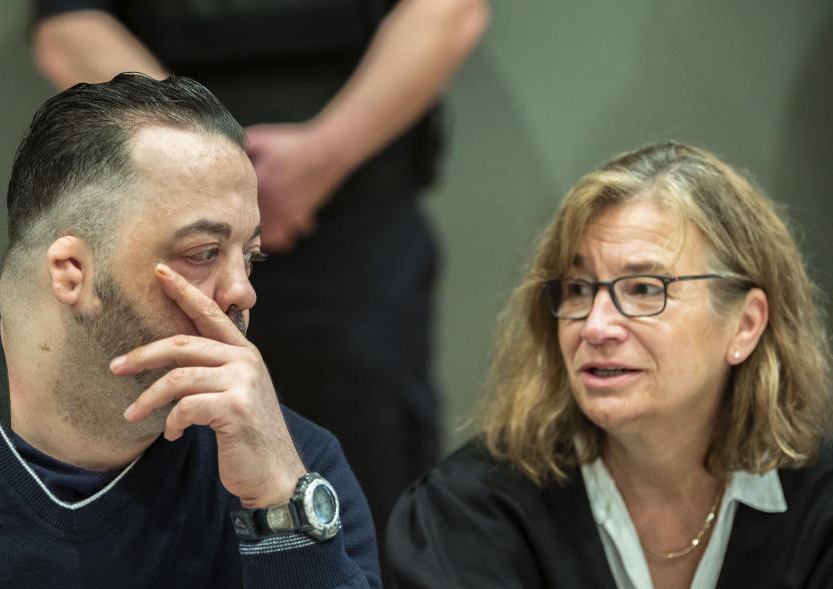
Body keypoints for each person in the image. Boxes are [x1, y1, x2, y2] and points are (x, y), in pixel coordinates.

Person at [0, 73, 396, 589]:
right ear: (72, 273)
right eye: (203, 253)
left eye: (250, 257)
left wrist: (281, 513)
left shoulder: (294, 470)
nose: (242, 292)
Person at [30, 0, 490, 544]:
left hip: (355, 221)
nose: (239, 288)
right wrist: (208, 163)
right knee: (161, 452)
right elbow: (70, 25)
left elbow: (448, 11)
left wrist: (325, 155)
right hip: (158, 217)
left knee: (374, 455)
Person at [386, 141, 833, 589]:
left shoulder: (832, 518)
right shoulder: (469, 515)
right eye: (579, 289)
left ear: (745, 325)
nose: (596, 326)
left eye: (645, 289)